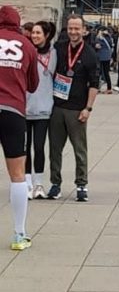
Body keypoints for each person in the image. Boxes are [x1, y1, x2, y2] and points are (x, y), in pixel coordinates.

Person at [48, 14, 99, 202]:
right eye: (70, 28)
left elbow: (94, 83)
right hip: (57, 106)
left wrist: (88, 108)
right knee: (55, 148)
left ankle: (81, 185)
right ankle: (55, 184)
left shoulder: (90, 54)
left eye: (77, 28)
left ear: (84, 30)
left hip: (77, 108)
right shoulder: (59, 48)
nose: (73, 32)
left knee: (79, 149)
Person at [0, 5, 39, 250]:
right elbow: (33, 84)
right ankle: (19, 233)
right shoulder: (27, 46)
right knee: (17, 175)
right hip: (13, 111)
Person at [26, 21, 57, 199]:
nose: (35, 36)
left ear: (46, 35)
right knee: (24, 147)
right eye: (33, 33)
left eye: (38, 33)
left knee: (39, 146)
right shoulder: (26, 51)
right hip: (24, 106)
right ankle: (27, 183)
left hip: (44, 106)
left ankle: (38, 183)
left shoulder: (54, 53)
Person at [95, 28, 113, 93]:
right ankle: (109, 88)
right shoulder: (109, 38)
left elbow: (97, 46)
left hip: (101, 57)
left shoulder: (99, 38)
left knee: (99, 73)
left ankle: (97, 87)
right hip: (107, 57)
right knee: (106, 73)